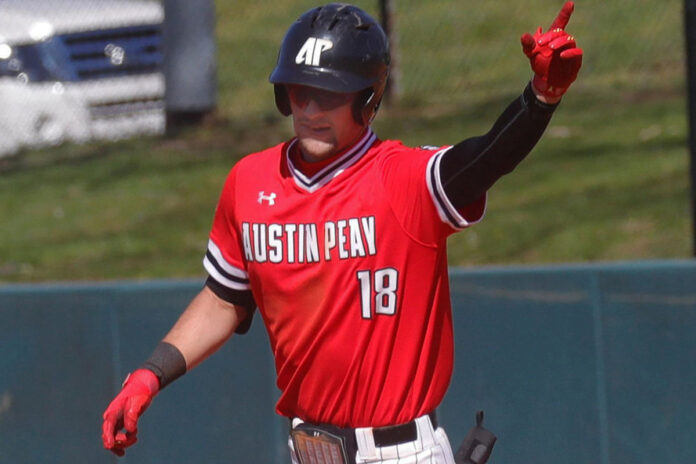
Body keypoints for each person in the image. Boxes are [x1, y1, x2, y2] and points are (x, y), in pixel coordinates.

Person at [101, 2, 583, 463]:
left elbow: (486, 158)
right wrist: (150, 374)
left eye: (330, 94)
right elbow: (226, 296)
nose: (310, 107)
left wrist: (540, 99)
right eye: (298, 90)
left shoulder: (402, 179)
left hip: (401, 452)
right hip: (309, 451)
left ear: (368, 100)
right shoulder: (249, 184)